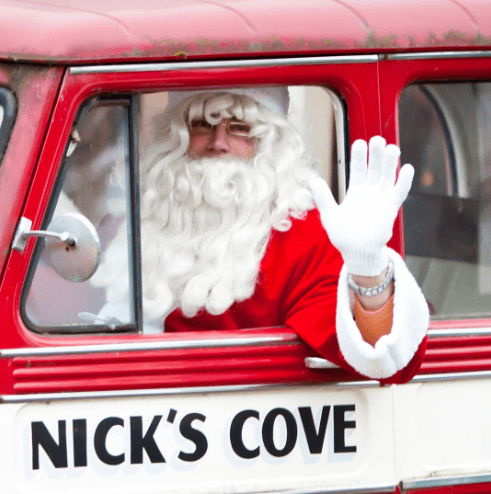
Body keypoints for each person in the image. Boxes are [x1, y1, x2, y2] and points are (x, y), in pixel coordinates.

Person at [47, 88, 429, 383]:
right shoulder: (138, 214)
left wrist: (368, 270)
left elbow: (384, 360)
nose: (217, 142)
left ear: (270, 144)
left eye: (239, 129)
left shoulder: (302, 235)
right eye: (201, 126)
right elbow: (62, 317)